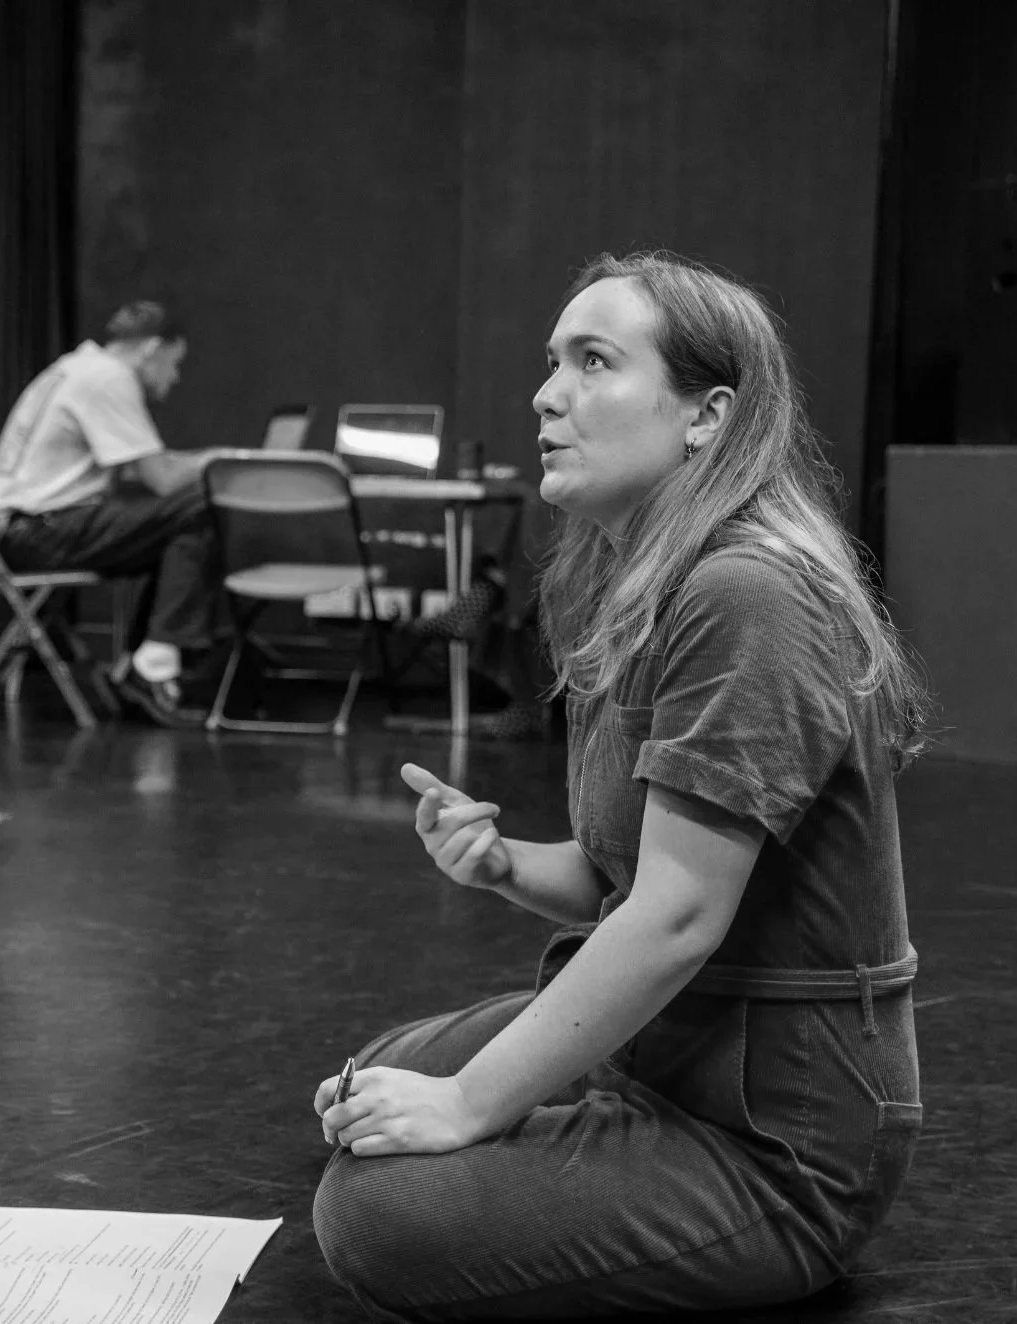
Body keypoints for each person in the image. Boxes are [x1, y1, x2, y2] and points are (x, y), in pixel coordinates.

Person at [311, 251, 929, 1320]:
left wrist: (469, 1101)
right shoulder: (640, 584)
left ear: (707, 416)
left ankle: (569, 1128)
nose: (548, 394)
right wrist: (502, 862)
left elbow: (679, 914)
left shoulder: (747, 595)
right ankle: (566, 1112)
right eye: (552, 362)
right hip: (669, 1052)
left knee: (372, 1216)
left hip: (774, 1142)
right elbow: (619, 877)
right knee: (370, 1080)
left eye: (594, 361)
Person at [0, 300, 218, 725]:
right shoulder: (108, 379)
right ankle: (152, 666)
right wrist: (220, 459)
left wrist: (190, 464)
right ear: (151, 349)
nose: (175, 376)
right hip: (36, 531)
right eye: (174, 362)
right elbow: (161, 479)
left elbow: (138, 470)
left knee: (181, 528)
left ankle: (146, 664)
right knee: (202, 504)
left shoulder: (81, 368)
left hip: (25, 527)